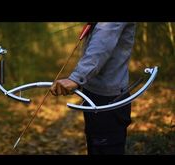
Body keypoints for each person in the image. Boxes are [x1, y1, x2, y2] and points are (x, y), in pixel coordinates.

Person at [50, 22, 136, 155]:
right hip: (94, 93)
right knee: (95, 146)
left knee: (107, 148)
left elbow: (101, 45)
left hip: (109, 99)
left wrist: (76, 78)